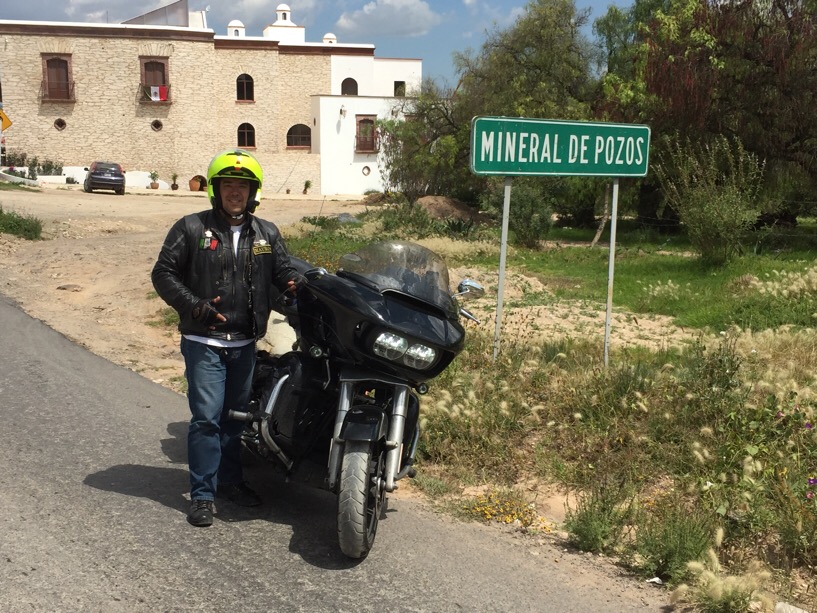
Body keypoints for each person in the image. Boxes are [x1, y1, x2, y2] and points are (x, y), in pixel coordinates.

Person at [151, 149, 301, 527]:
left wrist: (298, 284)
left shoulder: (267, 233)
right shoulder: (190, 228)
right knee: (206, 419)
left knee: (235, 419)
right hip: (205, 342)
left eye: (243, 186)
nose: (236, 192)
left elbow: (283, 271)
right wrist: (194, 306)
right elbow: (163, 273)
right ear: (215, 191)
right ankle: (202, 495)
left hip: (246, 343)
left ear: (254, 192)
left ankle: (230, 481)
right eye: (229, 185)